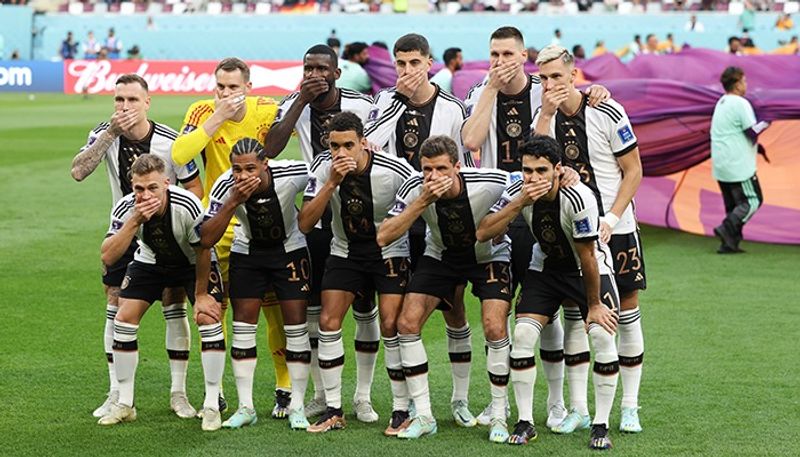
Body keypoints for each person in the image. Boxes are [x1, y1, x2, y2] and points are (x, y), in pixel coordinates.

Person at [461, 26, 609, 428]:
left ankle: (558, 403)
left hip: (540, 210)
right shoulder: (479, 92)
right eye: (494, 54)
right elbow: (471, 142)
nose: (500, 62)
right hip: (499, 209)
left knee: (546, 312)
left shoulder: (543, 90)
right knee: (499, 313)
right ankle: (499, 404)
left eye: (508, 54)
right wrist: (490, 90)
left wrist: (598, 92)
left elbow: (574, 111)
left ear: (524, 55)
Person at [70, 73, 202, 421]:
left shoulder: (172, 142)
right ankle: (117, 392)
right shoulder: (104, 134)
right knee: (115, 304)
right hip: (125, 229)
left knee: (174, 305)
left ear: (148, 102)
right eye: (119, 100)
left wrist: (175, 223)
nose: (125, 106)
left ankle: (179, 393)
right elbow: (78, 172)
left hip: (167, 235)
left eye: (132, 100)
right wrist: (112, 132)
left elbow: (195, 191)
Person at [365, 33, 479, 429]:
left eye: (415, 63)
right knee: (394, 315)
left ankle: (460, 400)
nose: (408, 71)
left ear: (429, 62)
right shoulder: (384, 101)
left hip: (436, 225)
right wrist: (396, 101)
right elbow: (369, 148)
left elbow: (462, 168)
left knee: (454, 307)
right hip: (397, 218)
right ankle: (405, 404)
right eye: (401, 64)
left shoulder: (452, 107)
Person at [476, 135, 620, 449]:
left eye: (541, 171)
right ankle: (526, 422)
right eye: (528, 170)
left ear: (558, 169)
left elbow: (587, 256)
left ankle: (600, 426)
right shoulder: (519, 191)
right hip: (546, 266)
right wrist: (520, 203)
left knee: (601, 335)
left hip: (588, 269)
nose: (534, 178)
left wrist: (594, 305)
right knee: (524, 335)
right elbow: (484, 231)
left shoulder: (578, 197)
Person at [264, 44, 380, 423]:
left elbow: (380, 150)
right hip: (317, 212)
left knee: (365, 307)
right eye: (308, 68)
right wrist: (300, 101)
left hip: (359, 216)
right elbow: (271, 147)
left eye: (321, 69)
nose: (314, 74)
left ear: (336, 73)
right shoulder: (293, 104)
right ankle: (320, 393)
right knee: (316, 311)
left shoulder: (362, 105)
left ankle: (363, 396)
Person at [532, 45, 645, 434]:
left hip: (618, 227)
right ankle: (579, 408)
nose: (551, 85)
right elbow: (535, 166)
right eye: (543, 78)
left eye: (557, 77)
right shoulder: (542, 117)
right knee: (575, 312)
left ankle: (630, 405)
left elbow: (633, 171)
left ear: (573, 75)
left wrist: (612, 217)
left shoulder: (607, 110)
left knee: (624, 311)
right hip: (570, 232)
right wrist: (546, 112)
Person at [171, 58, 291, 419]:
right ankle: (217, 390)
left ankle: (284, 386)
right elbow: (180, 154)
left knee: (272, 309)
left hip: (260, 224)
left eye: (233, 87)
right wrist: (217, 118)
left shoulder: (266, 109)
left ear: (248, 87)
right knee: (214, 309)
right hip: (218, 223)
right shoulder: (202, 110)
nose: (225, 94)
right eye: (220, 87)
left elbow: (299, 134)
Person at [377, 136, 512, 442]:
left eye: (441, 169)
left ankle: (498, 414)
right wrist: (423, 200)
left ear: (457, 167)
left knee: (493, 326)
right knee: (406, 323)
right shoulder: (415, 188)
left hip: (487, 256)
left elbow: (521, 181)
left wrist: (565, 174)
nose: (433, 177)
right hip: (440, 257)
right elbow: (384, 235)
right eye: (427, 169)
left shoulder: (489, 182)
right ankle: (424, 415)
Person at [299, 112, 415, 434]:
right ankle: (334, 409)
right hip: (345, 250)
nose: (341, 153)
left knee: (391, 323)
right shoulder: (323, 167)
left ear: (364, 143)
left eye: (349, 145)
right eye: (335, 146)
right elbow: (306, 223)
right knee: (327, 320)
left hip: (388, 251)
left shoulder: (395, 171)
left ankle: (398, 408)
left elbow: (418, 208)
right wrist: (332, 182)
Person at [96, 155, 225, 431]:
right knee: (124, 317)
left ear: (166, 183)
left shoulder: (187, 204)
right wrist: (134, 221)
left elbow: (203, 249)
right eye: (139, 189)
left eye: (152, 188)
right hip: (152, 260)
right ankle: (126, 403)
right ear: (132, 185)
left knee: (207, 318)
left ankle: (210, 404)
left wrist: (201, 295)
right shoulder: (126, 208)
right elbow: (108, 255)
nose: (145, 195)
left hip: (193, 262)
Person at [200, 138, 313, 430]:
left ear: (265, 164)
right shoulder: (226, 186)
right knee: (242, 327)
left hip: (289, 250)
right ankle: (246, 406)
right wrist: (234, 201)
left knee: (296, 327)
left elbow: (322, 171)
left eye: (251, 168)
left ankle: (297, 405)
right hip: (247, 252)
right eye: (237, 169)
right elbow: (207, 237)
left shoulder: (291, 173)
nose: (243, 176)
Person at [710, 66, 768, 254]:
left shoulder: (722, 102)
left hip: (721, 164)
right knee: (753, 200)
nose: (746, 84)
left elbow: (731, 132)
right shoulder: (740, 103)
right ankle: (726, 228)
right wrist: (769, 120)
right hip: (738, 165)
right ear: (736, 84)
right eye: (744, 81)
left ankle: (729, 244)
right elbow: (751, 131)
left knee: (734, 205)